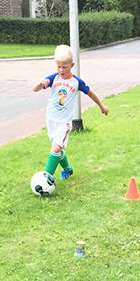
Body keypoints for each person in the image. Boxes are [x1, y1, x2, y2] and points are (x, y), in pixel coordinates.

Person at [32, 45, 109, 180]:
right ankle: (68, 170)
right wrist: (40, 83)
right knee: (57, 148)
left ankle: (46, 179)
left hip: (64, 122)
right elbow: (35, 89)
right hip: (51, 119)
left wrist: (102, 106)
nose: (61, 70)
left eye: (65, 67)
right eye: (58, 66)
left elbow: (90, 93)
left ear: (72, 65)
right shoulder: (54, 78)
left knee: (56, 148)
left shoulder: (76, 82)